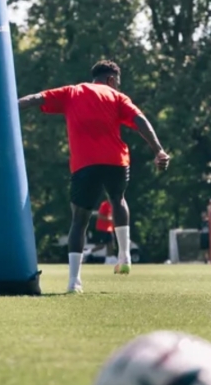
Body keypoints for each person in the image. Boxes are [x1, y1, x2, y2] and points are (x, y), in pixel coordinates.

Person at [18, 60, 169, 293]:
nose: (117, 86)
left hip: (84, 164)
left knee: (79, 220)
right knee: (118, 199)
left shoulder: (71, 91)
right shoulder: (118, 98)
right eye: (117, 82)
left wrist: (8, 107)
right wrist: (158, 149)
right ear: (110, 79)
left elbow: (36, 98)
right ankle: (124, 255)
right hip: (116, 161)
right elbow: (141, 121)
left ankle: (74, 282)